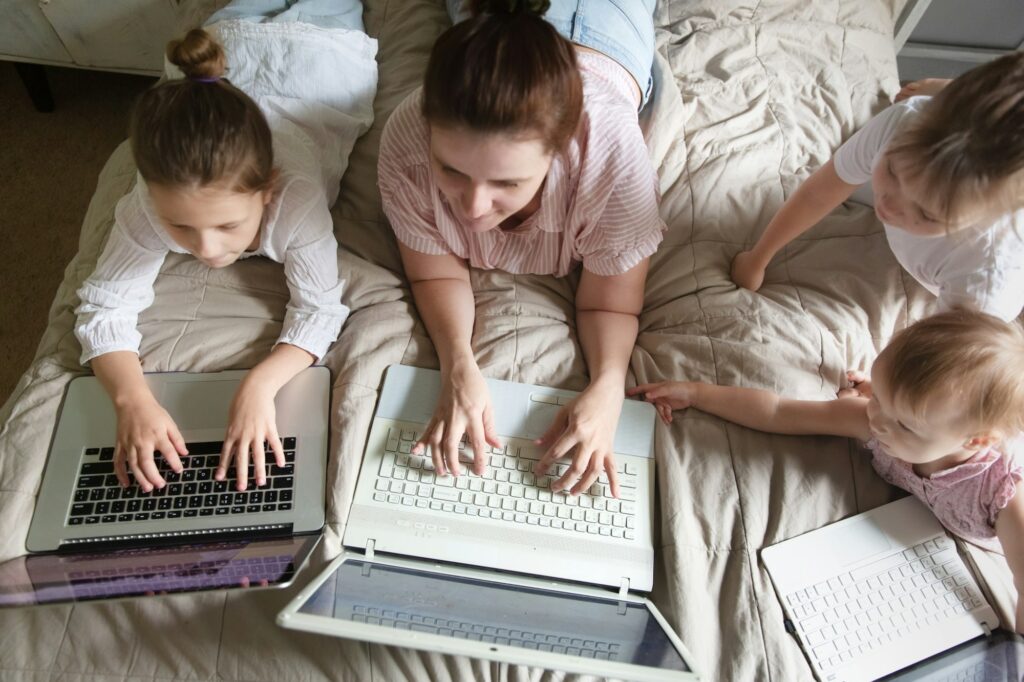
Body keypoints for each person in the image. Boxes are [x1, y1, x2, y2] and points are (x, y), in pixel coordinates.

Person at [74, 0, 376, 493]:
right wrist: (132, 400)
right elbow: (103, 305)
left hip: (319, 50)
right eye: (181, 228)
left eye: (229, 226)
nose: (208, 251)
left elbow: (320, 308)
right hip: (233, 40)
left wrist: (260, 384)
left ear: (268, 189)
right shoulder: (147, 206)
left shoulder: (294, 201)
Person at [377, 0, 664, 499]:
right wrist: (458, 363)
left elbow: (608, 302)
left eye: (506, 182)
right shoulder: (405, 141)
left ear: (561, 150)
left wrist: (608, 386)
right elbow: (434, 275)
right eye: (451, 171)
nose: (472, 209)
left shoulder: (611, 163)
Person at [628, 310, 1024, 631]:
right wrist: (698, 393)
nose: (878, 422)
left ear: (975, 442)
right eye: (879, 399)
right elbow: (779, 411)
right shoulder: (871, 420)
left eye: (903, 423)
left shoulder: (1004, 497)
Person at [731, 52, 1024, 322]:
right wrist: (758, 257)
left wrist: (875, 381)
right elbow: (817, 192)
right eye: (893, 171)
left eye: (926, 213)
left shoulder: (985, 282)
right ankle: (949, 89)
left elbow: (939, 358)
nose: (888, 206)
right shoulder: (904, 120)